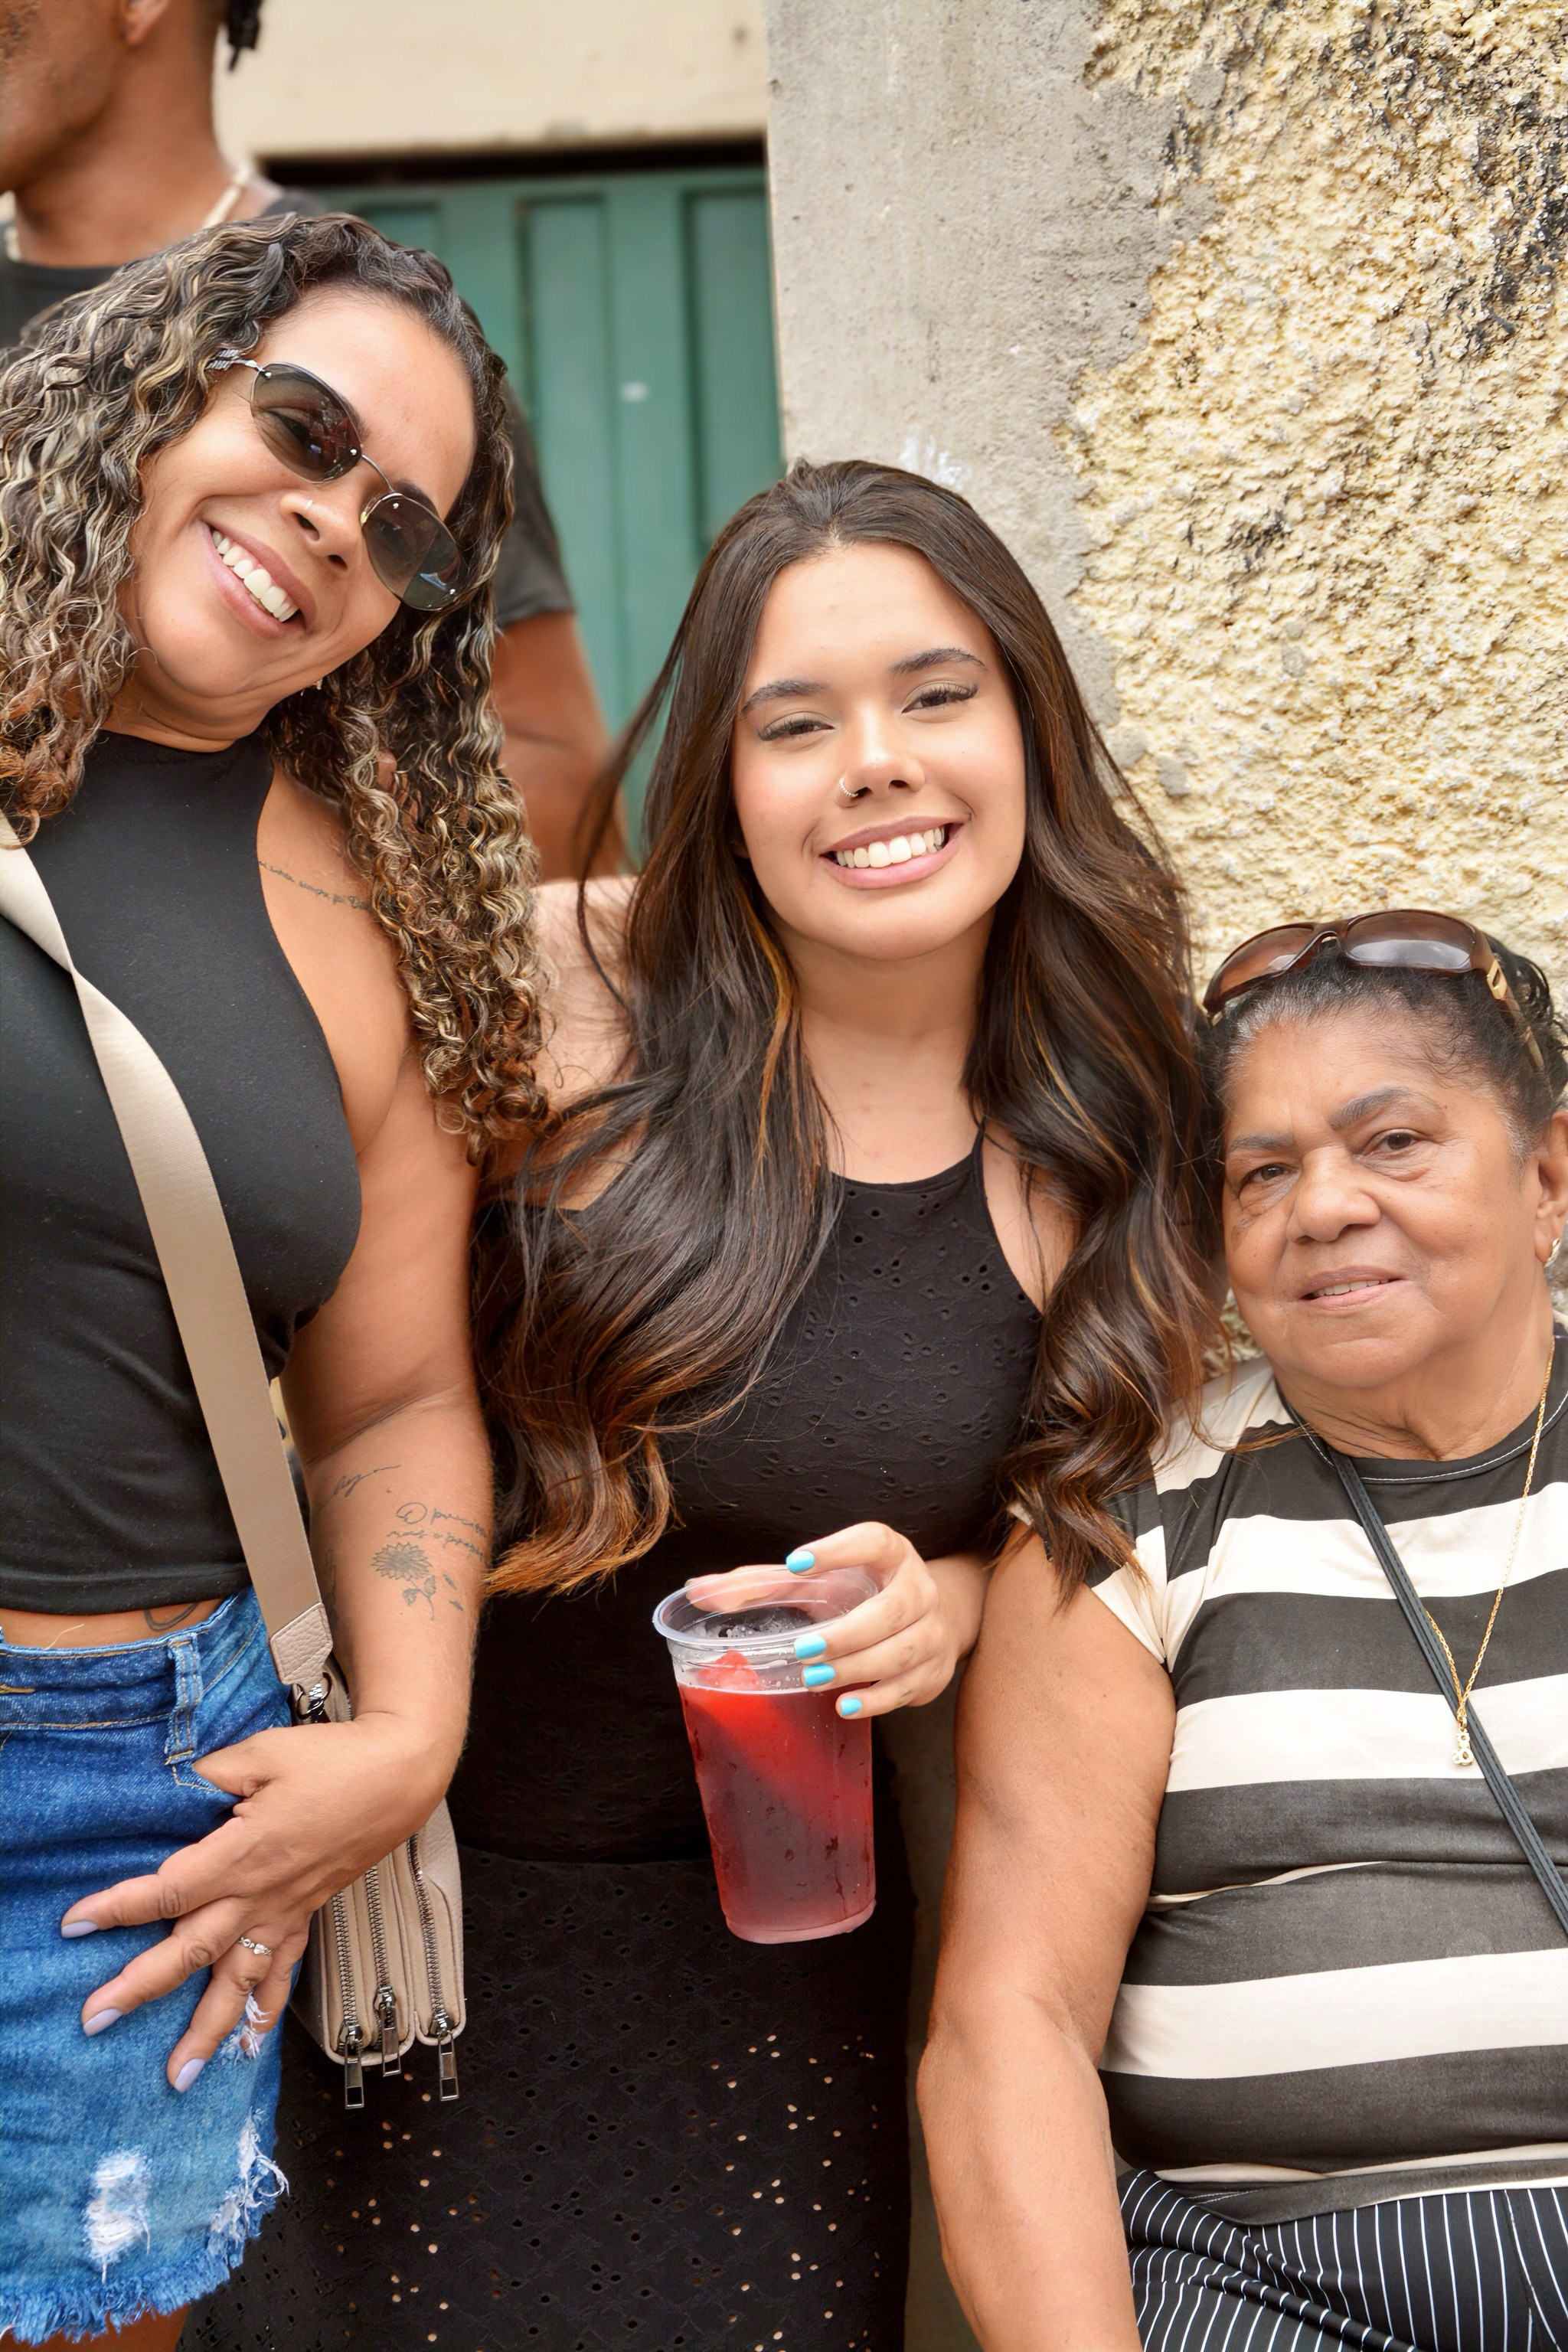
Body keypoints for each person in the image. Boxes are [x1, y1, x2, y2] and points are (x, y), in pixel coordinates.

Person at [200, 457, 1220, 2350]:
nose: (875, 762)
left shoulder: (1107, 1136)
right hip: (388, 1915)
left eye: (935, 693)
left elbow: (1098, 1550)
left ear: (1027, 726)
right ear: (725, 786)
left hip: (769, 1975)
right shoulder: (556, 1004)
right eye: (794, 721)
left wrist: (954, 1589)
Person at [0, 212, 542, 2348]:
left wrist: (408, 1739)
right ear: (163, 387)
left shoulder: (367, 909)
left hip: (139, 1813)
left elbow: (395, 1396)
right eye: (299, 427)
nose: (328, 520)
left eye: (397, 526)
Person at [923, 912, 1568, 2350]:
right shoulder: (1121, 1524)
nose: (1321, 1206)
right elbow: (1004, 2028)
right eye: (1260, 1171)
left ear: (1546, 1174)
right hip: (1276, 2289)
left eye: (1390, 1141)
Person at [0, 0, 609, 877]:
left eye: (302, 428)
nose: (326, 517)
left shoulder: (381, 351)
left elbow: (555, 764)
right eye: (300, 426)